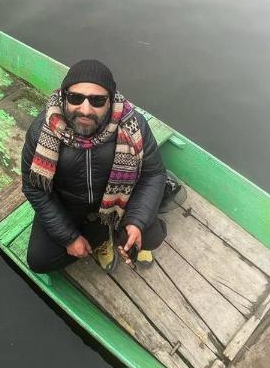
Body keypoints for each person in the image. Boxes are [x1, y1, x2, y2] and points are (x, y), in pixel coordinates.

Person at [21, 59, 167, 274]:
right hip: (69, 203)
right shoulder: (42, 131)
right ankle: (100, 239)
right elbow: (34, 187)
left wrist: (136, 221)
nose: (85, 109)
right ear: (63, 97)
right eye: (75, 98)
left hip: (120, 199)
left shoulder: (134, 125)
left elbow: (153, 174)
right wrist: (69, 237)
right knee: (39, 260)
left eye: (97, 100)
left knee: (151, 236)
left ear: (110, 101)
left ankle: (117, 233)